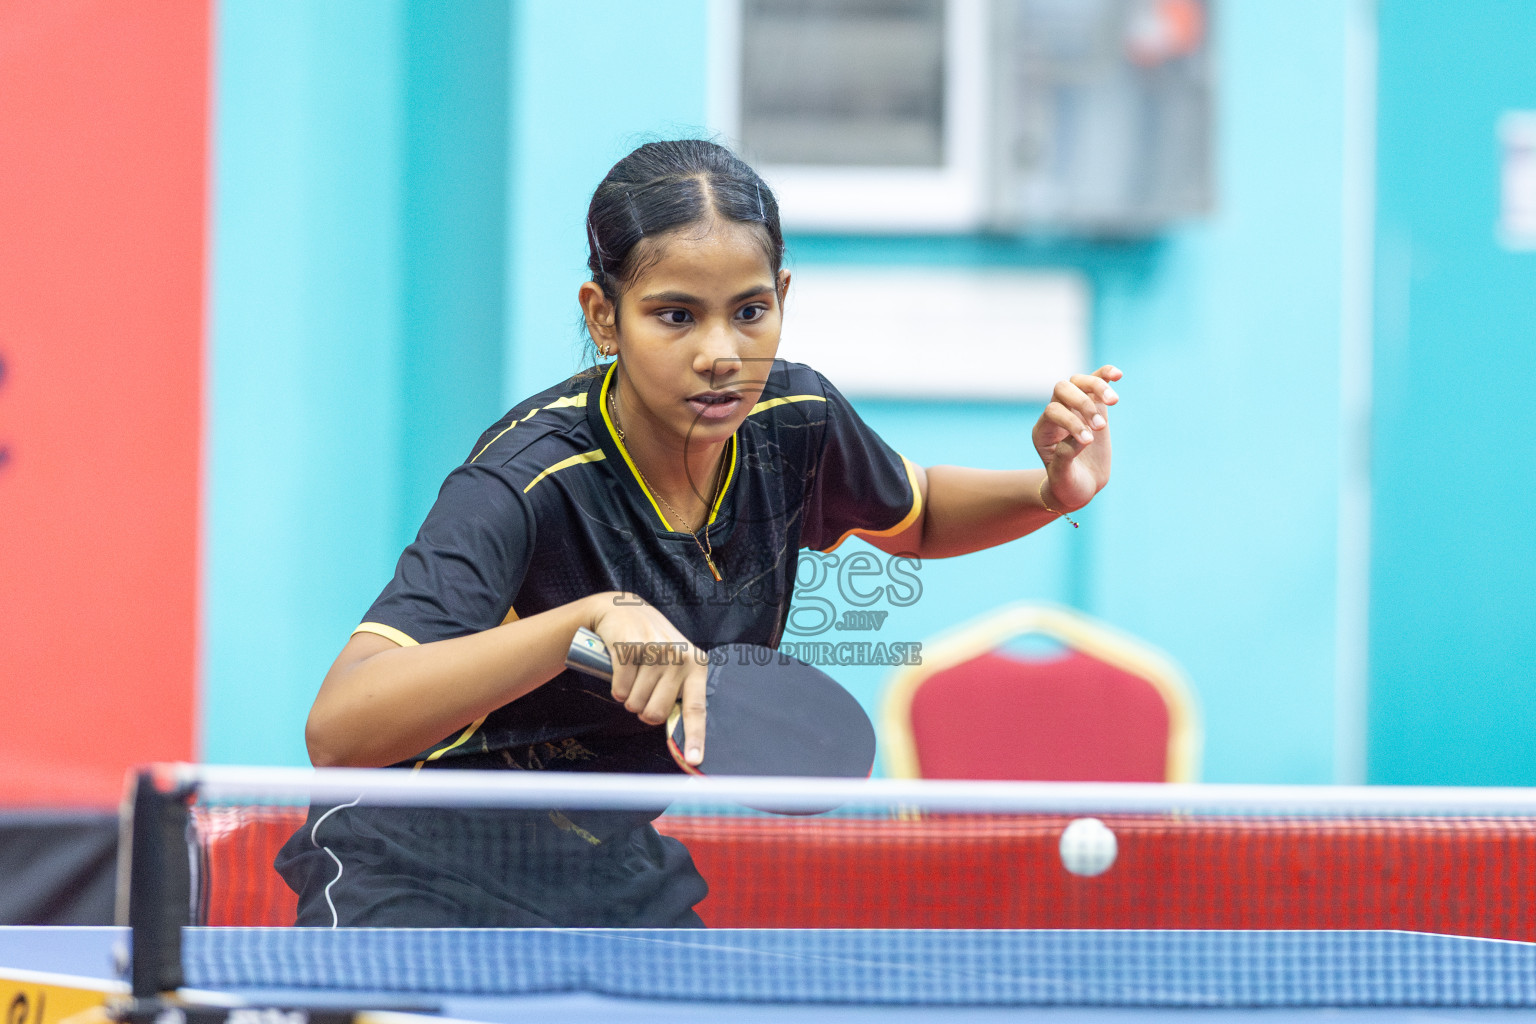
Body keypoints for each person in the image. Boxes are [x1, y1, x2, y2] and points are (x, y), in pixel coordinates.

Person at [274, 139, 1120, 928]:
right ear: (604, 317)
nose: (722, 353)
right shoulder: (526, 480)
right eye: (675, 316)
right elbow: (340, 726)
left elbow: (919, 511)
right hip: (422, 858)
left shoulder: (796, 422)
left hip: (606, 862)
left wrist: (1050, 490)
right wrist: (578, 623)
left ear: (783, 298)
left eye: (749, 311)